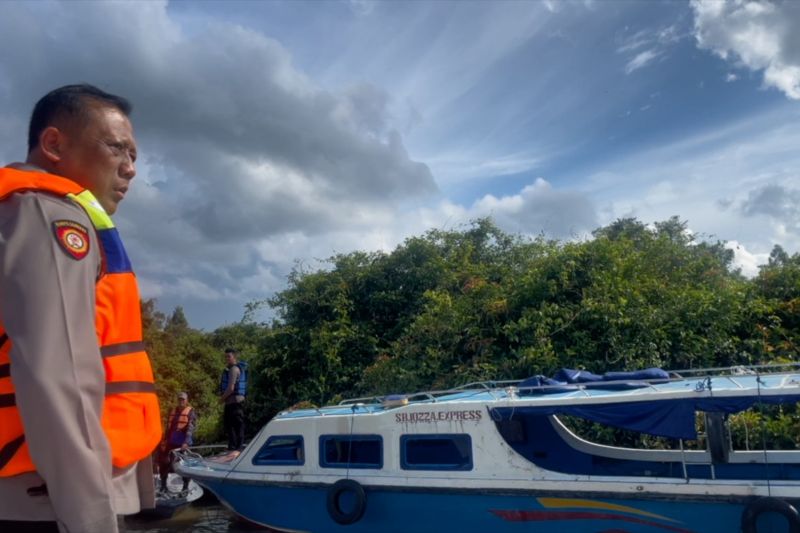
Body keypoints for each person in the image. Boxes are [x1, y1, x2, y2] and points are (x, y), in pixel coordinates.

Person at [0, 84, 162, 532]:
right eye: (117, 149)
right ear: (53, 144)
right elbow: (58, 375)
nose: (129, 169)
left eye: (135, 157)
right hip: (43, 504)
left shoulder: (16, 212)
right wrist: (90, 518)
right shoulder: (49, 215)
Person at [158, 392, 196, 494]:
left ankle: (185, 487)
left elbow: (191, 428)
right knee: (164, 463)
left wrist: (186, 442)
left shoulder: (190, 411)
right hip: (171, 442)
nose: (181, 401)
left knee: (184, 465)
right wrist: (165, 439)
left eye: (183, 399)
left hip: (183, 444)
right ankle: (163, 485)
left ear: (186, 401)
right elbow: (168, 427)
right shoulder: (172, 411)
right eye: (179, 399)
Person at [219, 348, 247, 452]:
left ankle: (236, 448)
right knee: (230, 425)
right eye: (226, 357)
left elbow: (230, 388)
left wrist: (221, 400)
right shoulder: (231, 369)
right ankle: (233, 446)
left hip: (235, 403)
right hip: (233, 402)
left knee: (234, 425)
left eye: (229, 356)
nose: (227, 359)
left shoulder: (233, 369)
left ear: (234, 357)